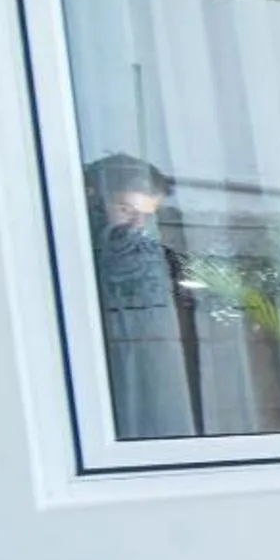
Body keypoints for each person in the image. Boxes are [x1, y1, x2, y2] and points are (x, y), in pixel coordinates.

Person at [86, 154, 198, 438]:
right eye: (125, 209)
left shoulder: (162, 261)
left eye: (147, 216)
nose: (136, 225)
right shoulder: (84, 263)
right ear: (97, 204)